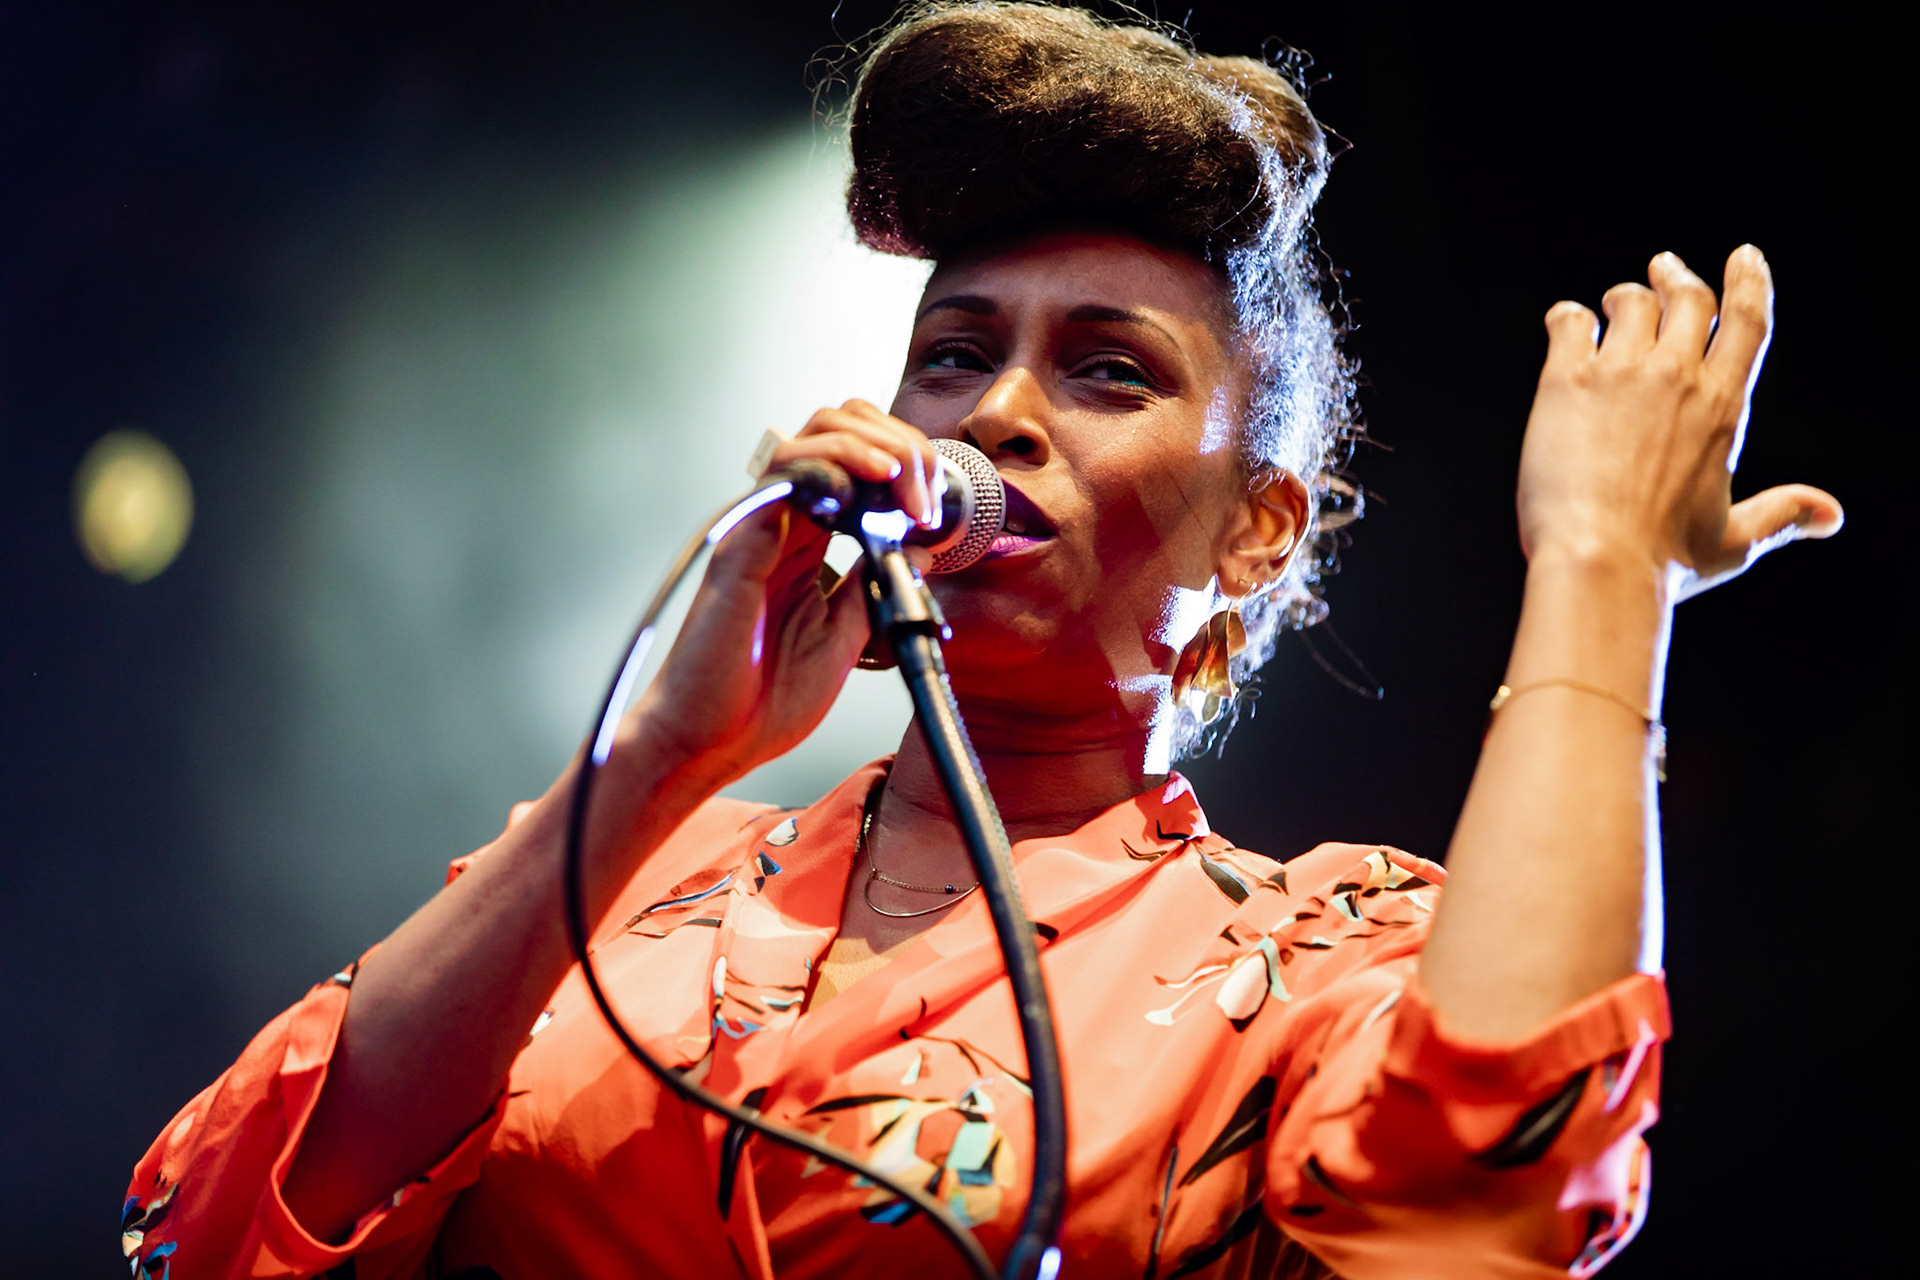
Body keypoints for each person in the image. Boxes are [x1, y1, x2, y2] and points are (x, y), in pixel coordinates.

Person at [122, 4, 1842, 1278]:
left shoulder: (1318, 956)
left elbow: (1482, 1191)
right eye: (954, 354)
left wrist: (1603, 569)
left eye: (1109, 372)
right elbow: (224, 1220)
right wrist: (659, 756)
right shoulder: (637, 867)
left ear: (1260, 527)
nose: (998, 412)